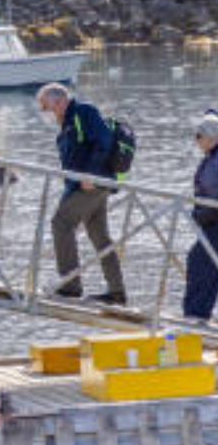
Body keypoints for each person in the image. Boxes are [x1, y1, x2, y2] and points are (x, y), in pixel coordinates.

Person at [36, 82, 127, 305]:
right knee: (99, 236)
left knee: (61, 224)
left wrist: (90, 174)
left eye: (49, 107)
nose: (49, 113)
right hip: (85, 185)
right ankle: (117, 292)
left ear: (61, 101)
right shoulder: (66, 123)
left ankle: (70, 286)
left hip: (91, 184)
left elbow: (103, 140)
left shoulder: (84, 111)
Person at [184, 114, 218, 321]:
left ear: (211, 137)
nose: (196, 140)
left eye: (199, 136)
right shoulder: (211, 158)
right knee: (201, 262)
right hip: (209, 222)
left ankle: (196, 314)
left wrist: (201, 213)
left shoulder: (215, 161)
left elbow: (212, 191)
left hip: (214, 222)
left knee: (201, 263)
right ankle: (196, 312)